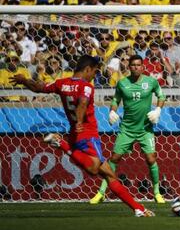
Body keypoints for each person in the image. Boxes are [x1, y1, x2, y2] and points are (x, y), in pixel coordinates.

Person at [10, 55, 154, 217]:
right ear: (87, 69)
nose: (94, 76)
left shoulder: (61, 83)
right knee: (94, 169)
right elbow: (83, 103)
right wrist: (79, 121)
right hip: (87, 134)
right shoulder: (86, 87)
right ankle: (61, 143)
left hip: (75, 133)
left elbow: (38, 87)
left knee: (109, 175)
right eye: (94, 72)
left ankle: (138, 209)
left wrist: (24, 80)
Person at [90, 55, 166, 205]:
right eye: (133, 65)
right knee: (114, 159)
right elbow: (115, 100)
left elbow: (161, 96)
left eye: (139, 65)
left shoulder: (151, 82)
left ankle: (156, 193)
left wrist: (158, 110)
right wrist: (112, 111)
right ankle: (101, 192)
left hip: (145, 128)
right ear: (129, 67)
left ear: (143, 67)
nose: (136, 67)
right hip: (126, 129)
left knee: (151, 159)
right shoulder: (122, 83)